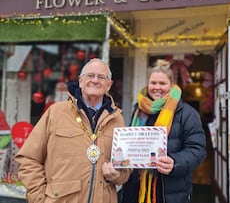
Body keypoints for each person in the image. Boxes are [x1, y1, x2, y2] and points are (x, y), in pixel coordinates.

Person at [15, 58, 130, 203]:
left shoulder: (117, 119)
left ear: (109, 85)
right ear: (80, 81)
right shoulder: (56, 112)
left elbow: (125, 170)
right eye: (90, 76)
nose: (95, 80)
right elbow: (28, 158)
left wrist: (117, 175)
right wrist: (39, 198)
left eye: (101, 77)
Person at [120, 59, 207, 203]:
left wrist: (175, 162)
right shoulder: (139, 109)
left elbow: (198, 149)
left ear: (172, 85)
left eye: (162, 83)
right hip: (136, 189)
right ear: (147, 84)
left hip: (169, 191)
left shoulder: (187, 113)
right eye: (153, 83)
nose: (157, 88)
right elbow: (131, 144)